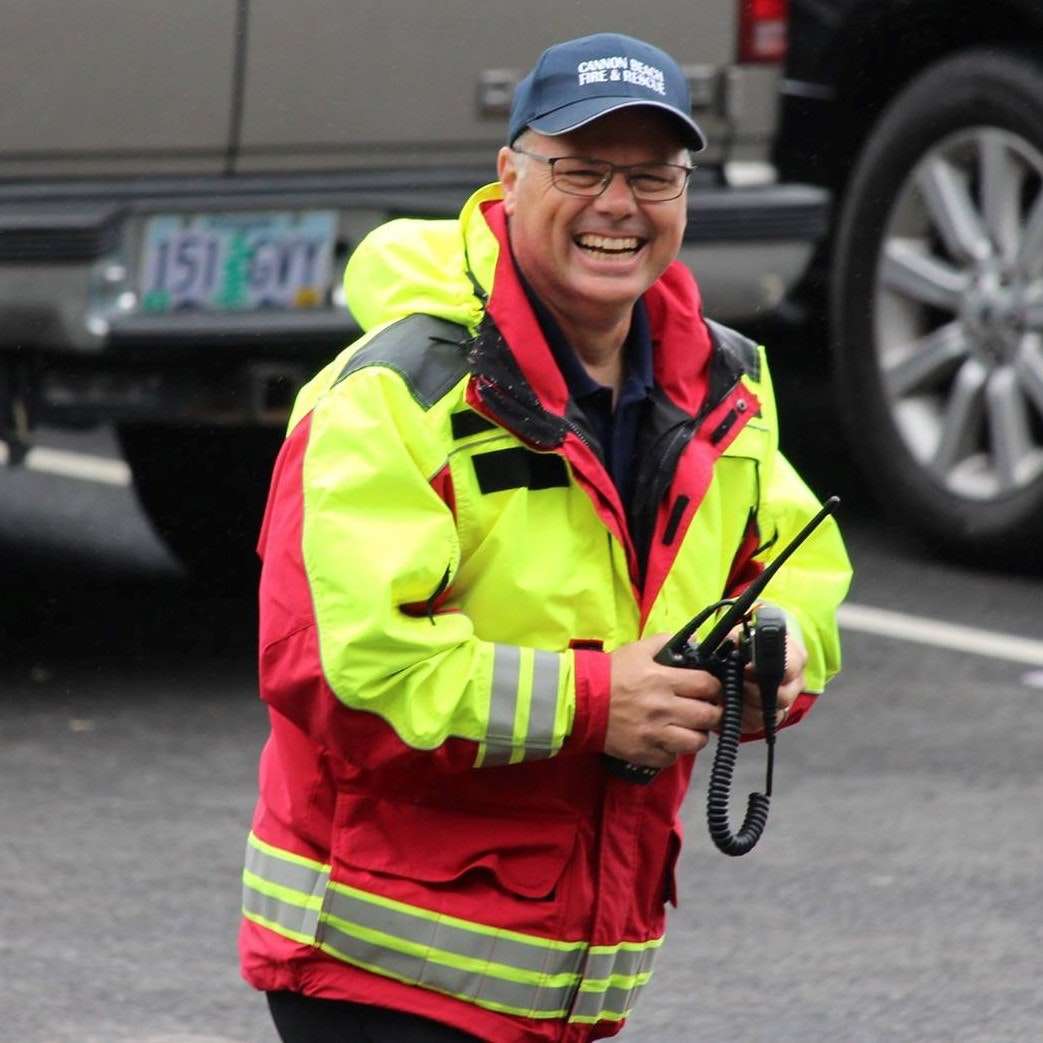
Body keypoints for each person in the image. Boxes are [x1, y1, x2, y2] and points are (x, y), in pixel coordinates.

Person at [239, 31, 851, 1043]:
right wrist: (599, 701)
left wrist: (776, 655)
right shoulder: (394, 394)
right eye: (581, 170)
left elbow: (796, 572)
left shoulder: (723, 385)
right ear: (508, 179)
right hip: (378, 971)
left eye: (651, 177)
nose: (618, 205)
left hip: (571, 972)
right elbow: (341, 673)